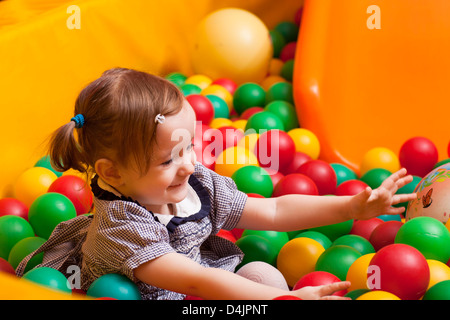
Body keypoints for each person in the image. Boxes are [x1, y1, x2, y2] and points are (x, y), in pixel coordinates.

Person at [16, 68, 416, 300]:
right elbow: (196, 281)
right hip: (167, 292)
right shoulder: (122, 230)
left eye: (189, 147)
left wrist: (349, 208)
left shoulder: (193, 184)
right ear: (113, 173)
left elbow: (273, 210)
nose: (189, 165)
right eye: (168, 159)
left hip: (200, 284)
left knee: (261, 272)